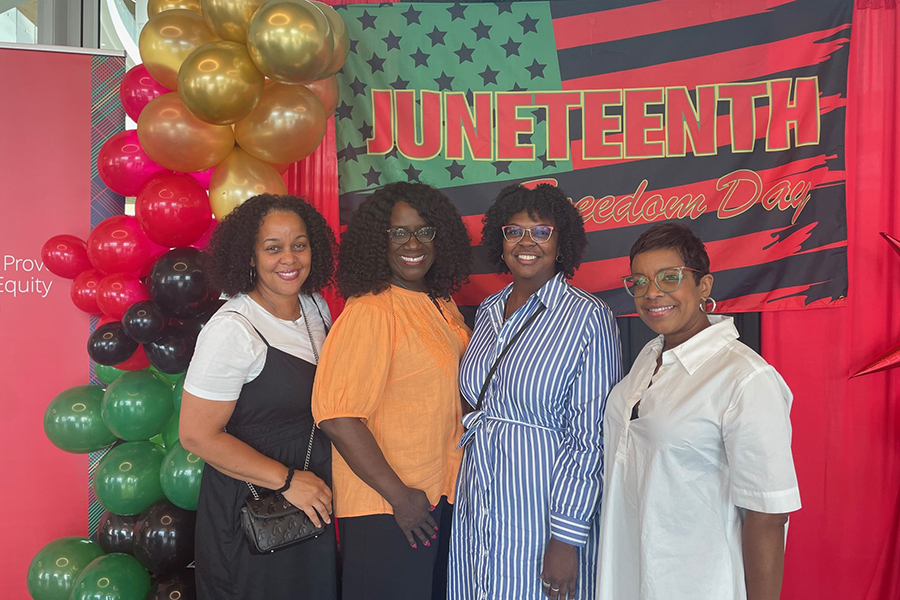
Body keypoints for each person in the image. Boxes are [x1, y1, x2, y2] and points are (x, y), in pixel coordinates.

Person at [595, 222, 801, 600]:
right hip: (629, 575)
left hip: (700, 583)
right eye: (639, 281)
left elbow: (768, 516)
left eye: (669, 278)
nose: (652, 292)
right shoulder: (650, 356)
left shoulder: (745, 378)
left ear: (703, 286)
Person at [448, 183, 622, 600]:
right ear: (500, 240)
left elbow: (590, 439)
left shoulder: (588, 318)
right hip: (479, 499)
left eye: (541, 232)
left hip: (541, 513)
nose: (527, 243)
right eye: (514, 232)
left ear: (561, 241)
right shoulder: (489, 310)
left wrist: (566, 538)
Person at [311, 181, 473, 600]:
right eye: (398, 232)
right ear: (377, 241)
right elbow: (338, 417)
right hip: (389, 507)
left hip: (437, 497)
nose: (412, 243)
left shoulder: (440, 301)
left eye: (424, 231)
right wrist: (401, 498)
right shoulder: (372, 310)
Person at [179, 194, 338, 600]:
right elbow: (197, 436)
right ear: (249, 257)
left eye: (299, 245)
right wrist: (287, 481)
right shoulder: (232, 329)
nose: (289, 259)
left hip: (310, 498)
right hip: (252, 509)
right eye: (273, 248)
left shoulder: (316, 307)